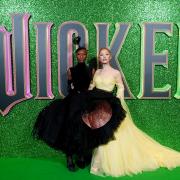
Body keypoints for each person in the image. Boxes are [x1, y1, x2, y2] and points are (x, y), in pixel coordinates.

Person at [89, 48, 180, 177]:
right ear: (99, 57)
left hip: (109, 105)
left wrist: (119, 101)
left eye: (106, 54)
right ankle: (99, 163)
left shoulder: (115, 73)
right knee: (99, 131)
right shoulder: (97, 72)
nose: (104, 57)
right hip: (96, 106)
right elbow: (92, 85)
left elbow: (120, 87)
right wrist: (87, 96)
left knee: (108, 133)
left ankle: (101, 164)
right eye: (101, 55)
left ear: (110, 57)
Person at [33, 47, 94, 171]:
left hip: (86, 101)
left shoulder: (91, 70)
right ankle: (69, 157)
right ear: (76, 56)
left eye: (83, 54)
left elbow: (92, 86)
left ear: (86, 56)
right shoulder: (71, 70)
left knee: (84, 128)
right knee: (69, 128)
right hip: (73, 101)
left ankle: (81, 154)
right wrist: (75, 94)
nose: (81, 56)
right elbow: (69, 87)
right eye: (79, 54)